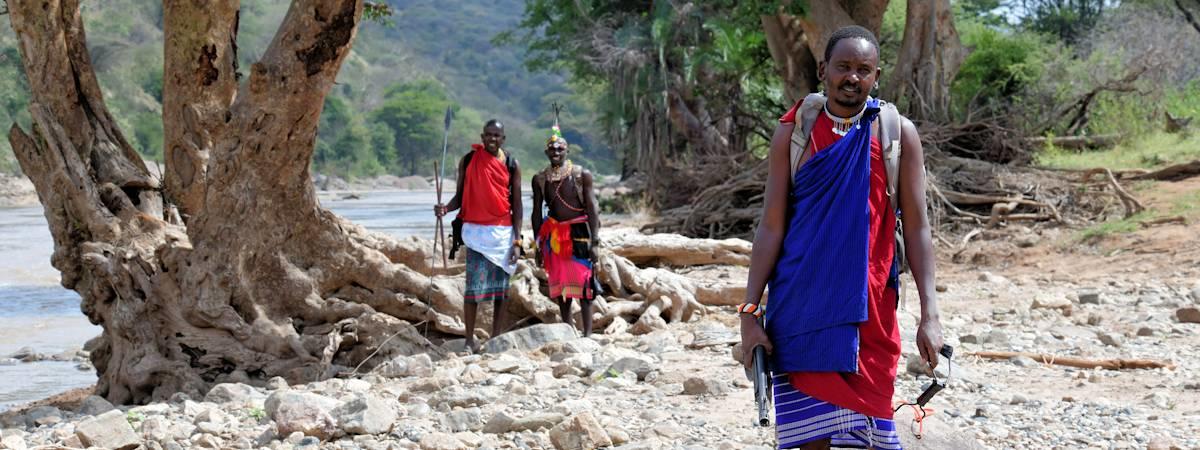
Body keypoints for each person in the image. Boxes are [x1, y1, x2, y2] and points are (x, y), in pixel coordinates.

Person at [738, 26, 944, 449]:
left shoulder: (897, 134)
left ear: (876, 76)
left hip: (870, 312)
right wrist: (748, 312)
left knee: (871, 433)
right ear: (822, 70)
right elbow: (771, 226)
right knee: (809, 439)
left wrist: (931, 315)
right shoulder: (793, 132)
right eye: (843, 67)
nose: (852, 77)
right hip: (800, 309)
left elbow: (919, 228)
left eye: (863, 70)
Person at [435, 120, 523, 353]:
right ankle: (469, 339)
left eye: (497, 135)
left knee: (501, 290)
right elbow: (460, 197)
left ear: (503, 138)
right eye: (489, 135)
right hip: (475, 232)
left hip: (502, 233)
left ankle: (496, 336)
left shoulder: (513, 164)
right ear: (482, 137)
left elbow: (517, 205)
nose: (492, 139)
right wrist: (445, 209)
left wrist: (517, 241)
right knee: (473, 288)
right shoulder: (470, 160)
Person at [531, 128, 601, 336]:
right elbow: (536, 213)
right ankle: (568, 328)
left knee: (584, 283)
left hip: (580, 231)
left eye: (560, 149)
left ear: (567, 151)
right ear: (546, 153)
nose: (556, 152)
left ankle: (587, 333)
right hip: (554, 235)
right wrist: (538, 245)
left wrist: (595, 243)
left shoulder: (581, 175)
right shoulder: (540, 179)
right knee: (561, 284)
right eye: (551, 149)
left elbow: (592, 207)